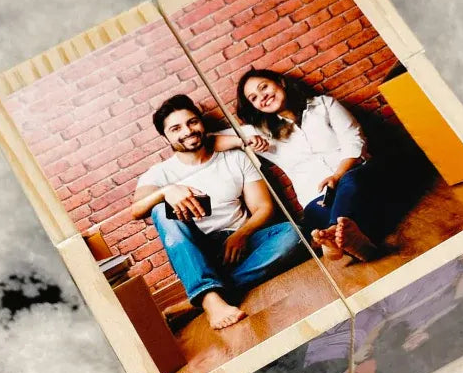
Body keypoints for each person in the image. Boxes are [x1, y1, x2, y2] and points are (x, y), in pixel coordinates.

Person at [131, 95, 305, 330]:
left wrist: (241, 235)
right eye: (175, 128)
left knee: (294, 234)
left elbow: (263, 207)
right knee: (161, 210)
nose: (187, 131)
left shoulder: (234, 158)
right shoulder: (159, 174)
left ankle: (202, 299)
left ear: (202, 123)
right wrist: (167, 191)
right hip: (198, 252)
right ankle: (210, 298)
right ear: (166, 137)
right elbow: (137, 210)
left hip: (243, 243)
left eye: (192, 122)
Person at [214, 68, 398, 262]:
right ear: (255, 107)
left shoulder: (324, 105)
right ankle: (358, 243)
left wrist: (337, 176)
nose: (263, 97)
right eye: (254, 98)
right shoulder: (261, 132)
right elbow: (209, 140)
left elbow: (354, 140)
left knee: (351, 184)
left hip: (358, 175)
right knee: (318, 214)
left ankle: (335, 236)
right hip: (317, 197)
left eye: (264, 87)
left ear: (281, 82)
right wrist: (243, 141)